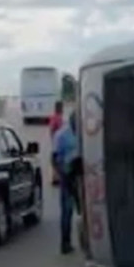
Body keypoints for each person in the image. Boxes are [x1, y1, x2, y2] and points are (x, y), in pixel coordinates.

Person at [52, 111, 80, 254]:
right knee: (67, 210)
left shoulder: (84, 134)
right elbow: (54, 157)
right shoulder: (61, 135)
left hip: (82, 173)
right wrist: (60, 173)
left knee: (85, 210)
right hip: (68, 175)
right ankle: (65, 242)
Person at [48, 101, 64, 185]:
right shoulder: (57, 118)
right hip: (58, 142)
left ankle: (56, 177)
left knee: (55, 159)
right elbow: (52, 129)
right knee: (56, 159)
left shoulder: (56, 117)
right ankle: (56, 178)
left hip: (57, 141)